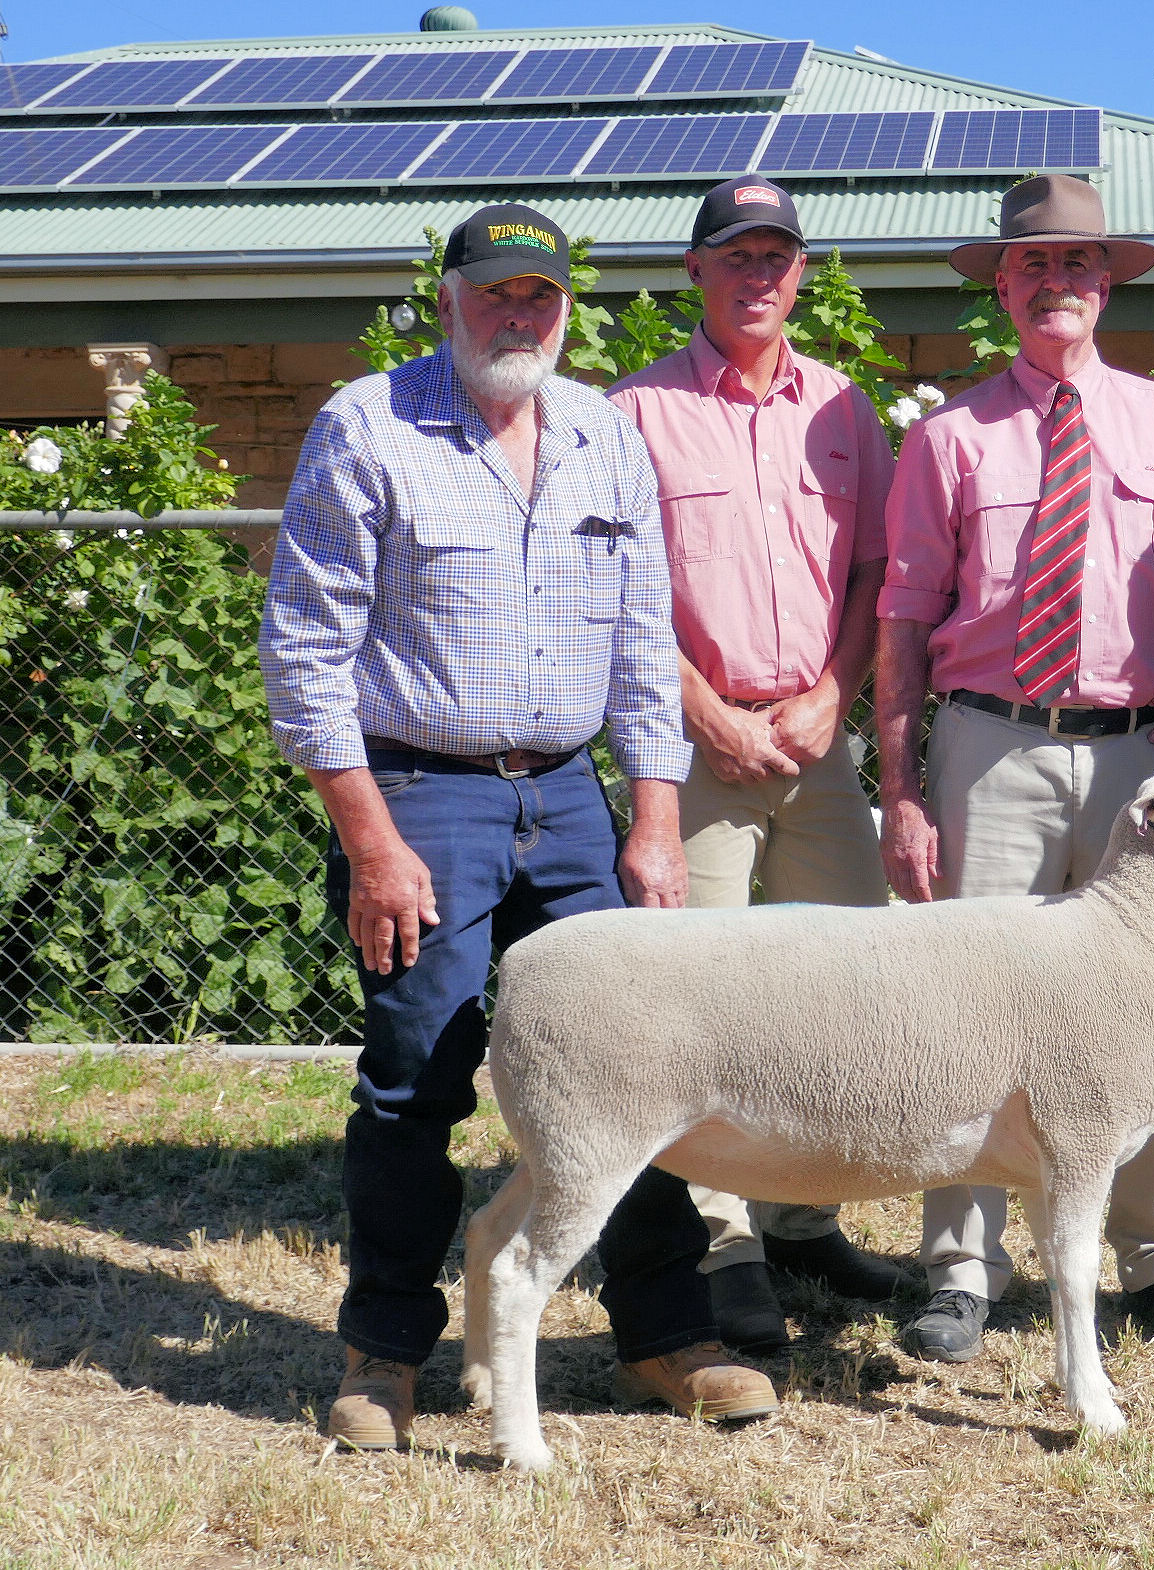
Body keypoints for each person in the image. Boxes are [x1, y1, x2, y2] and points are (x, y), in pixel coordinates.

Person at [259, 201, 777, 1450]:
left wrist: (653, 820)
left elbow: (645, 647)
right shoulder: (367, 426)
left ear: (564, 308)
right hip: (423, 797)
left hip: (574, 796)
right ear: (448, 301)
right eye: (494, 294)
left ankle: (662, 1333)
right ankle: (385, 1350)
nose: (517, 314)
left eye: (538, 297)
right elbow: (305, 658)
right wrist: (375, 843)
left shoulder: (602, 432)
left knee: (636, 1067)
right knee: (416, 1073)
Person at [876, 174, 1154, 1363]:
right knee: (967, 1007)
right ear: (1001, 284)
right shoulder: (946, 439)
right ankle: (961, 1266)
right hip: (989, 745)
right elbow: (901, 617)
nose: (1059, 283)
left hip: (1149, 759)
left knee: (1152, 1014)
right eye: (1035, 265)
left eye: (1080, 264)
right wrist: (899, 783)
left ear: (1107, 285)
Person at [608, 176, 905, 1353]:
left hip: (817, 742)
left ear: (800, 276)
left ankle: (802, 1217)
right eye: (736, 257)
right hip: (698, 747)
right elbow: (623, 600)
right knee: (707, 1006)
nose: (758, 277)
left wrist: (837, 692)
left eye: (777, 258)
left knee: (841, 992)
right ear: (696, 272)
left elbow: (876, 580)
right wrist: (710, 715)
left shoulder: (846, 411)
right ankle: (724, 1243)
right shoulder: (631, 415)